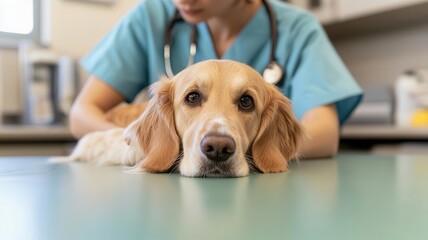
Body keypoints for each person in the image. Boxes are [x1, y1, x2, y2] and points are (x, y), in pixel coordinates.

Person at [70, 0, 363, 159]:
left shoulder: (298, 29)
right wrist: (155, 145)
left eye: (246, 101)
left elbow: (324, 135)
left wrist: (243, 146)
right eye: (193, 97)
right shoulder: (150, 15)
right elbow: (82, 114)